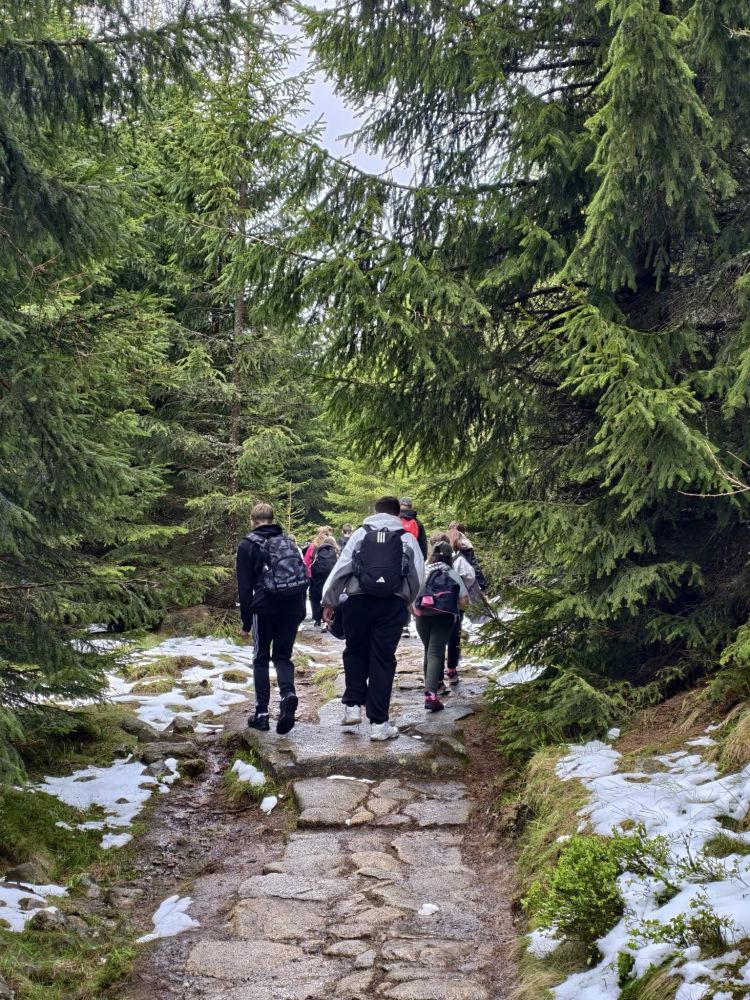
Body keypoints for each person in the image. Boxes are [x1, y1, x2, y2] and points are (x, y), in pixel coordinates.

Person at [321, 495, 425, 740]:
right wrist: (407, 601)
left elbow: (342, 568)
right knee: (383, 659)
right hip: (392, 604)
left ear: (375, 512)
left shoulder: (360, 534)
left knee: (355, 650)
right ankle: (379, 724)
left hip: (358, 600)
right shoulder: (407, 538)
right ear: (398, 514)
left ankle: (352, 707)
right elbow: (418, 577)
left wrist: (329, 600)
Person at [236, 503, 308, 735]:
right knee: (282, 656)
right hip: (293, 606)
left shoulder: (247, 545)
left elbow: (244, 587)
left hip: (264, 608)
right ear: (272, 519)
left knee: (260, 658)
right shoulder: (288, 542)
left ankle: (262, 714)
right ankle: (288, 694)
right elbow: (300, 576)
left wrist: (246, 622)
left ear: (252, 521)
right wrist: (301, 611)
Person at [413, 539, 469, 711]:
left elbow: (411, 594)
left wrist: (415, 612)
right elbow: (464, 602)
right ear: (449, 556)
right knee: (435, 653)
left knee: (428, 650)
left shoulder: (422, 570)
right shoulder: (451, 573)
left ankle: (433, 686)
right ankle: (431, 695)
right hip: (444, 617)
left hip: (422, 616)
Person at [445, 535, 477, 686]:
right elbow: (471, 576)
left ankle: (436, 678)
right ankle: (452, 669)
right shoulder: (458, 560)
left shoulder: (428, 564)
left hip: (432, 608)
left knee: (435, 643)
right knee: (454, 638)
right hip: (455, 607)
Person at [309, 534, 339, 628]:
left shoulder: (318, 551)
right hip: (331, 580)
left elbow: (312, 565)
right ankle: (329, 619)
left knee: (315, 598)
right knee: (330, 599)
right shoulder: (336, 552)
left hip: (318, 579)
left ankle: (317, 620)